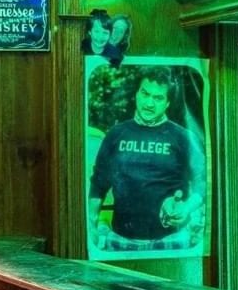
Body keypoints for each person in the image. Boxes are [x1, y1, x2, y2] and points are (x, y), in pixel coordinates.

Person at [87, 66, 205, 249]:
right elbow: (98, 183)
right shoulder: (116, 134)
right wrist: (91, 224)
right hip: (120, 239)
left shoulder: (183, 137)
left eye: (158, 98)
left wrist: (186, 208)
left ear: (167, 103)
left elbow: (202, 181)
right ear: (136, 94)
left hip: (171, 239)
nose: (149, 103)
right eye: (145, 94)